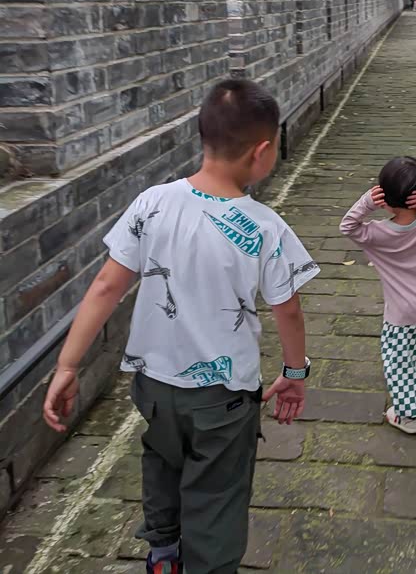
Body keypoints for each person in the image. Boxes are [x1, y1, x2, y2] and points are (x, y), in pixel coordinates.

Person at [43, 78, 319, 574]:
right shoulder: (265, 227)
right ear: (261, 152)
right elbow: (289, 310)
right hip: (223, 398)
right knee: (217, 492)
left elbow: (105, 287)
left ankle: (164, 553)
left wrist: (67, 365)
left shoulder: (151, 202)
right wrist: (294, 373)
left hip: (154, 387)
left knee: (163, 461)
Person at [339, 157, 416, 434]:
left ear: (385, 199)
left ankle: (408, 417)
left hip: (403, 314)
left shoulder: (377, 234)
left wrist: (366, 202)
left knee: (400, 362)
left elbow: (348, 226)